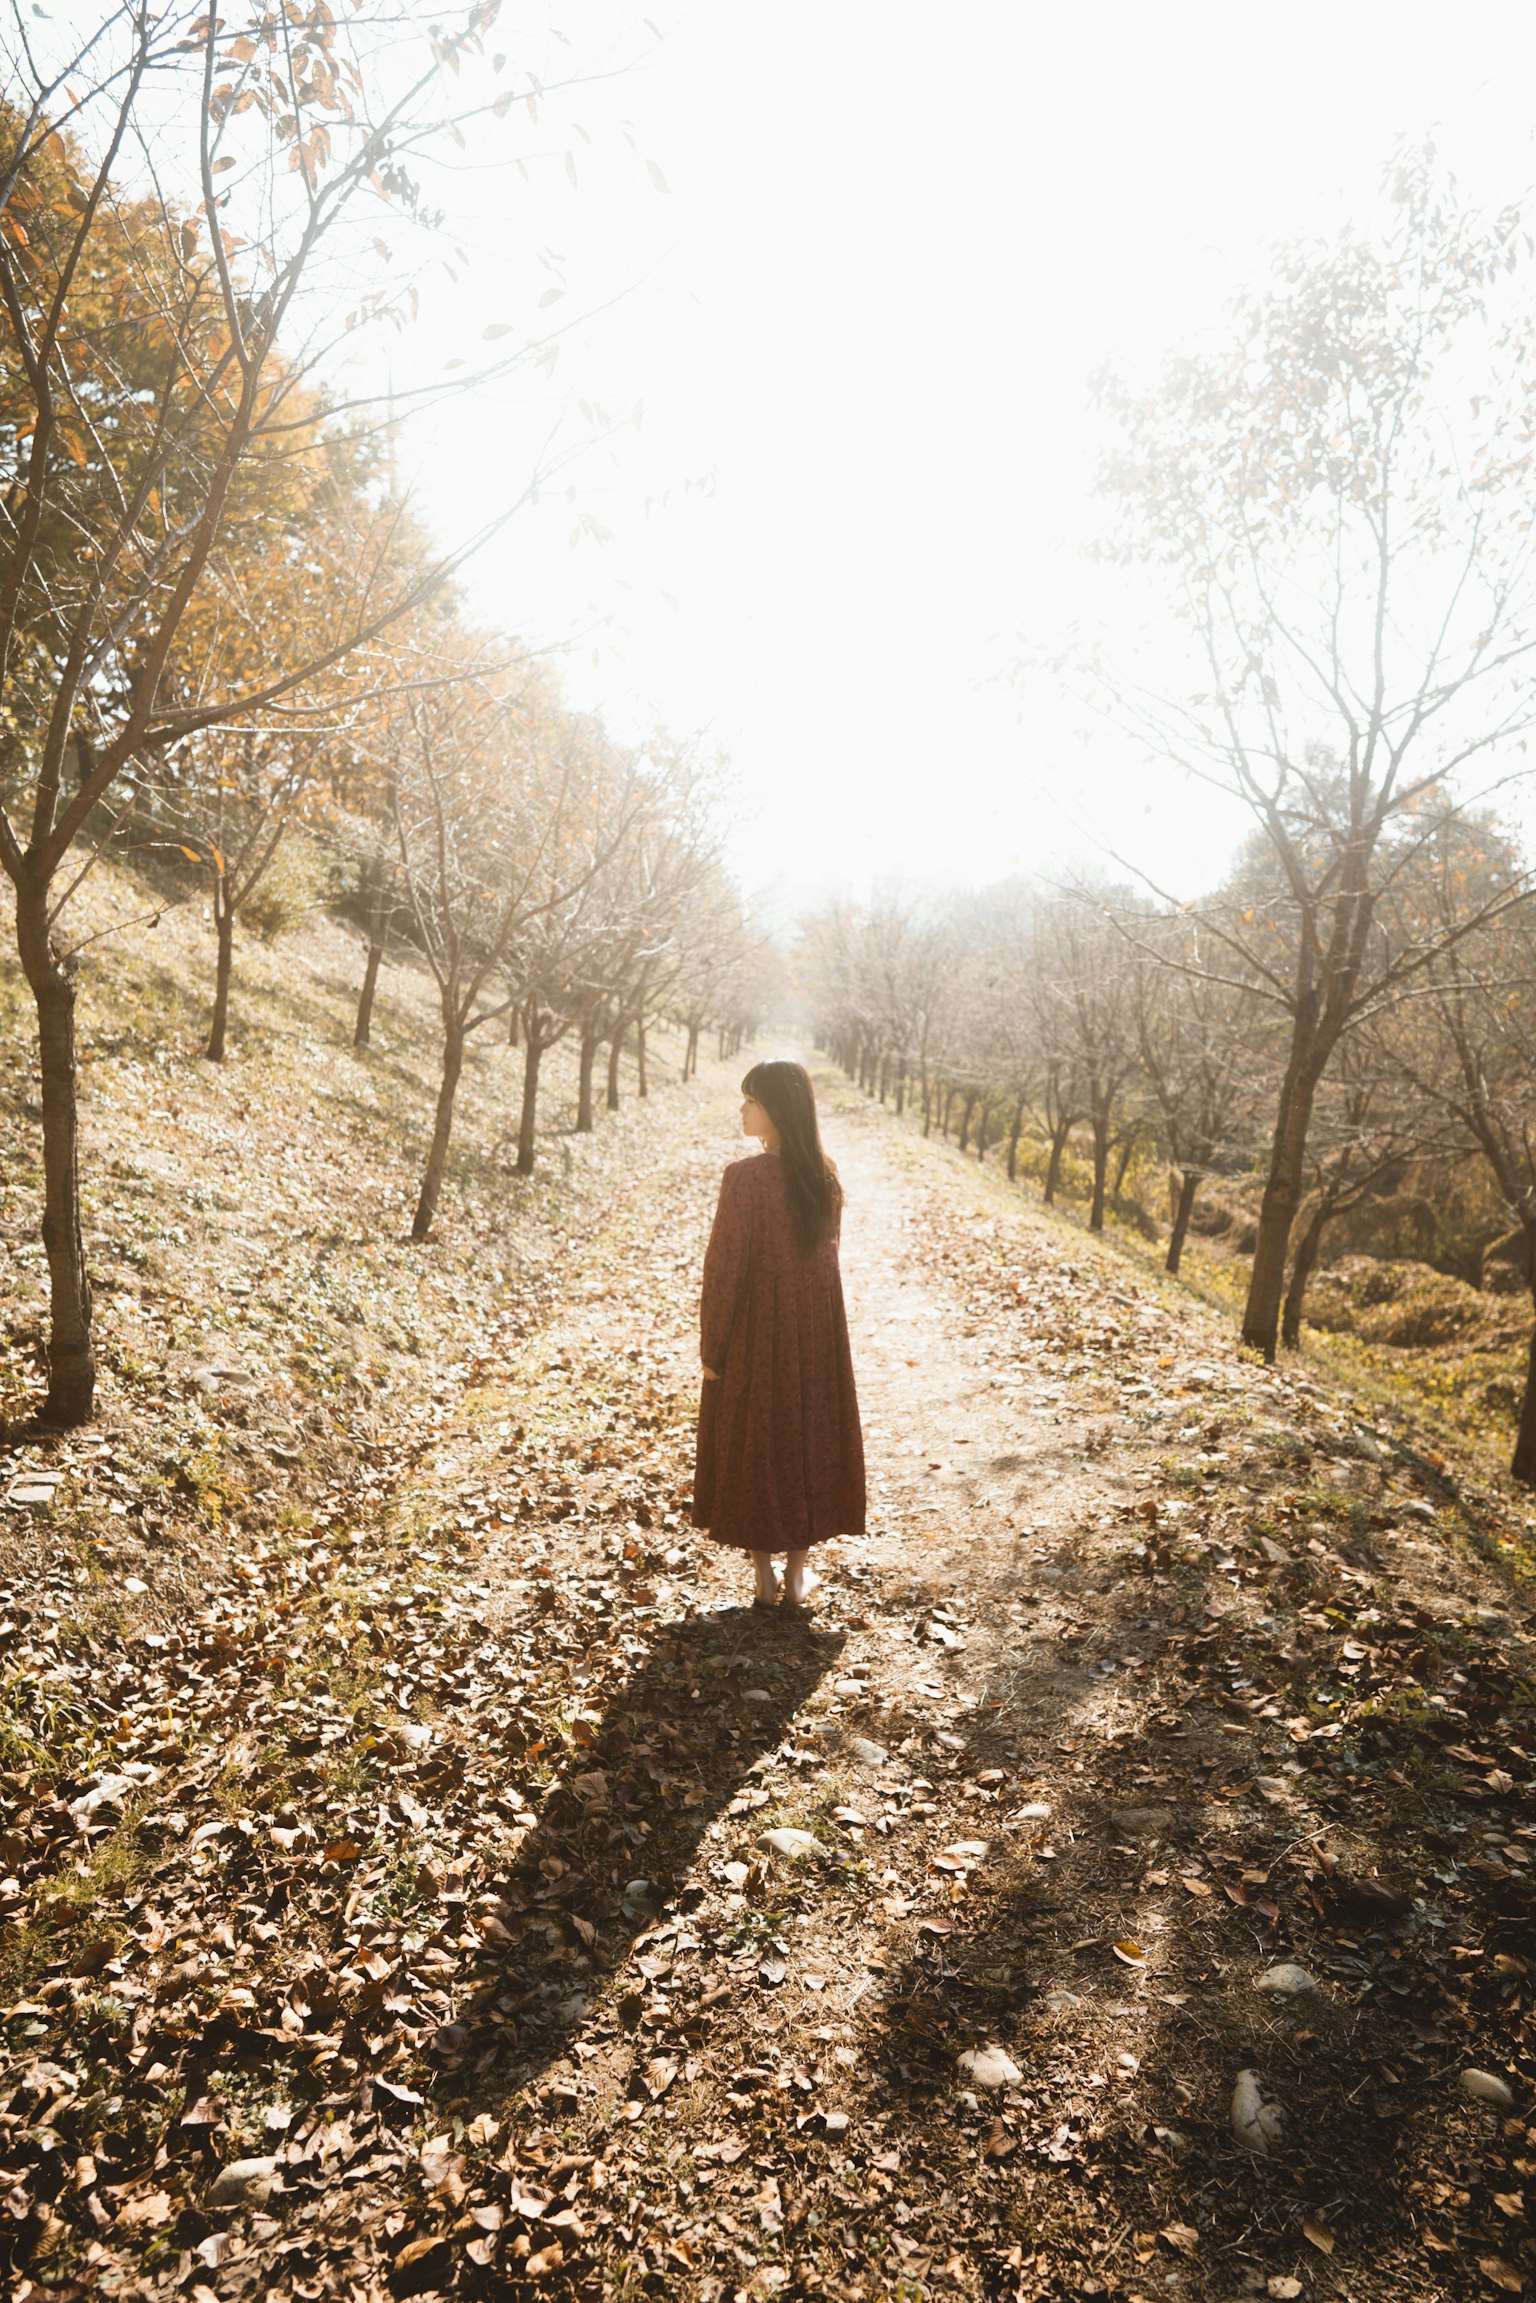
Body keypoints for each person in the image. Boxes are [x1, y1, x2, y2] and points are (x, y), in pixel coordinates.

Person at [691, 1058, 866, 1609]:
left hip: (755, 1334)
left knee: (758, 1443)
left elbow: (725, 1269)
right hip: (813, 1336)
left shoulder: (745, 1178)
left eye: (752, 1100)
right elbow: (826, 1266)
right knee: (803, 1440)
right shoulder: (825, 1175)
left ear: (777, 1109)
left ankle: (763, 1576)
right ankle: (796, 1575)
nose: (742, 1109)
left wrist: (713, 1346)